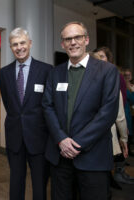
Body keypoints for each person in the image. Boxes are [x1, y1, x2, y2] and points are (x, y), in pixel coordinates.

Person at [42, 21, 120, 200]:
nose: (73, 42)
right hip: (60, 157)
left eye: (77, 37)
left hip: (93, 158)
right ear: (62, 44)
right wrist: (61, 139)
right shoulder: (55, 73)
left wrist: (77, 144)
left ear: (86, 40)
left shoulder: (107, 71)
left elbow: (107, 113)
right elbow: (47, 106)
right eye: (68, 39)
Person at [0, 27, 52, 200]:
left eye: (22, 43)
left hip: (39, 137)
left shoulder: (46, 70)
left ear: (30, 44)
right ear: (10, 47)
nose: (19, 47)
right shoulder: (4, 73)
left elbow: (49, 104)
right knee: (15, 180)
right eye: (15, 44)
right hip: (14, 136)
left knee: (40, 183)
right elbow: (9, 102)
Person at [93, 47, 134, 186]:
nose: (100, 59)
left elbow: (120, 105)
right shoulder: (108, 79)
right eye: (97, 56)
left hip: (109, 127)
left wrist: (123, 134)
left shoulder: (115, 76)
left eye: (102, 56)